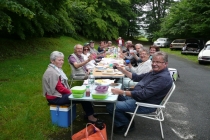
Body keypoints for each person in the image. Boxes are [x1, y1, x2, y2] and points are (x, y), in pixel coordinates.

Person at [106, 51, 173, 134]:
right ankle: (127, 120)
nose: (154, 64)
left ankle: (125, 125)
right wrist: (122, 70)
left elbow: (143, 95)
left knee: (111, 106)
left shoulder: (162, 78)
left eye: (158, 62)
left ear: (165, 64)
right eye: (153, 61)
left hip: (144, 103)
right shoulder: (155, 72)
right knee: (113, 98)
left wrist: (122, 92)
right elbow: (137, 77)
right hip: (138, 98)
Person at [42, 51, 98, 123]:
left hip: (59, 94)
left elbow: (60, 87)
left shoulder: (55, 69)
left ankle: (90, 113)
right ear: (52, 61)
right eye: (59, 60)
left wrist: (71, 91)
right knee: (83, 97)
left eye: (62, 60)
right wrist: (71, 91)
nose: (62, 62)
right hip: (55, 97)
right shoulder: (52, 72)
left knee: (83, 94)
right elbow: (60, 88)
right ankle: (90, 116)